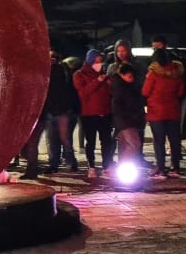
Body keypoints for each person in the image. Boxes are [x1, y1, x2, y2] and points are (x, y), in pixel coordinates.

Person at [142, 48, 184, 178]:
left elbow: (145, 92)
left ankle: (161, 168)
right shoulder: (177, 72)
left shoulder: (153, 74)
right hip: (173, 111)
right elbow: (180, 92)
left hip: (157, 112)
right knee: (174, 141)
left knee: (159, 141)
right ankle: (175, 167)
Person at [73, 48, 113, 178]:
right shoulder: (79, 74)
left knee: (106, 142)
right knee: (90, 142)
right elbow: (83, 93)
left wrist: (108, 85)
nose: (99, 64)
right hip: (89, 114)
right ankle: (91, 167)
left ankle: (107, 166)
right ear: (90, 61)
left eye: (101, 61)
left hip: (105, 113)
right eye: (97, 61)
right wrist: (98, 81)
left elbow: (110, 94)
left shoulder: (103, 75)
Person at [44, 49, 78, 173]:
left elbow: (67, 89)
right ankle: (53, 163)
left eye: (53, 56)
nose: (51, 59)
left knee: (65, 138)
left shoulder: (62, 70)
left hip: (62, 109)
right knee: (51, 139)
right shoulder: (45, 72)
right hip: (50, 109)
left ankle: (71, 161)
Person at [111, 62, 146, 174]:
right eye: (129, 76)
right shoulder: (122, 88)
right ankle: (123, 168)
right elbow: (130, 104)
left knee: (125, 145)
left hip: (125, 121)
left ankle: (124, 172)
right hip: (126, 121)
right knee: (134, 144)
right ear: (122, 75)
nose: (132, 79)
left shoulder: (125, 86)